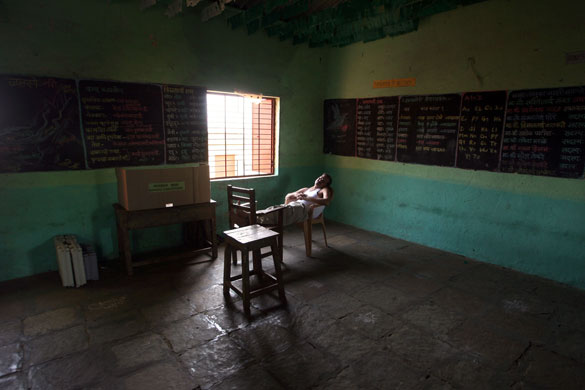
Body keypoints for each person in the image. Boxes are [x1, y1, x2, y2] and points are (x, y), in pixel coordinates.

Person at [257, 173, 333, 226]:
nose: (320, 180)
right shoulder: (306, 189)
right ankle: (255, 216)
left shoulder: (323, 190)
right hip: (293, 206)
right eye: (320, 178)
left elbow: (327, 201)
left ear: (325, 185)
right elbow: (288, 196)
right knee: (276, 208)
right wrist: (296, 194)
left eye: (323, 181)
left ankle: (254, 218)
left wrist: (307, 198)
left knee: (278, 212)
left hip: (303, 210)